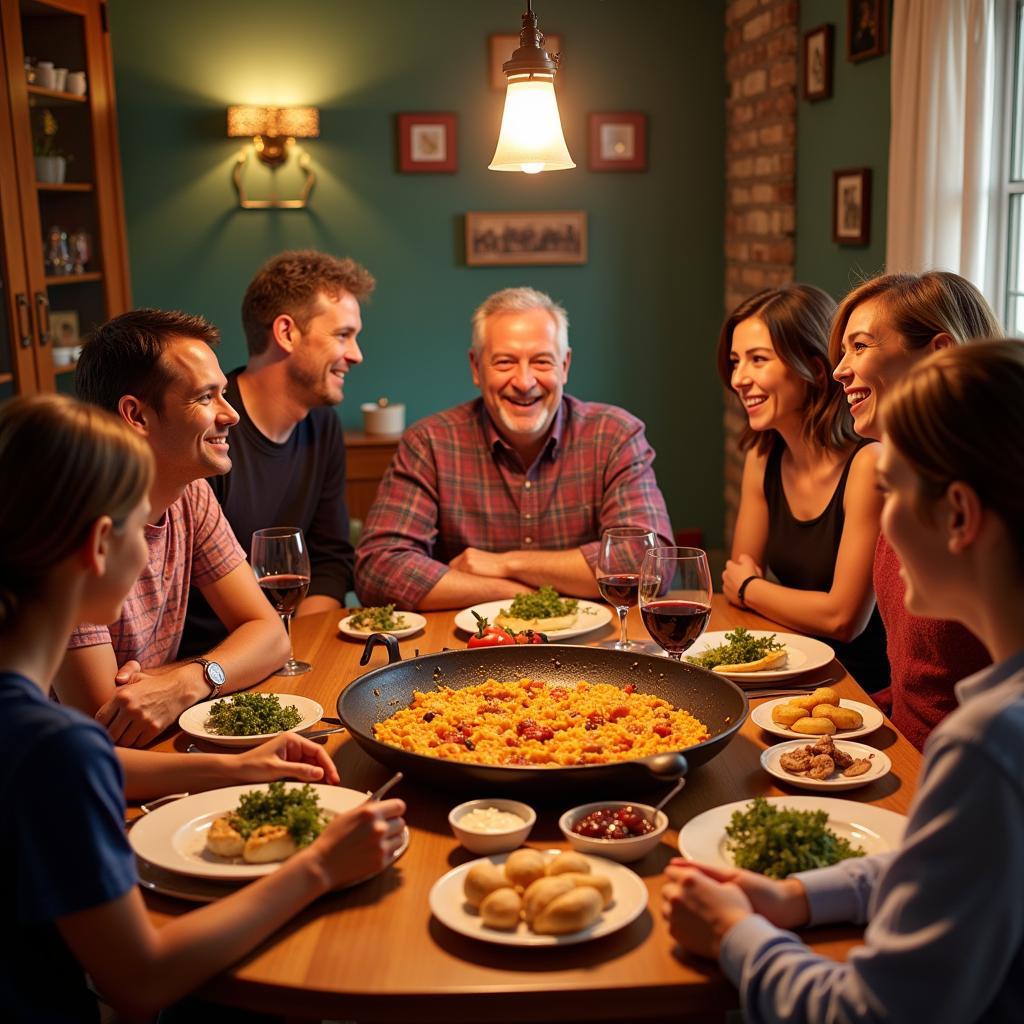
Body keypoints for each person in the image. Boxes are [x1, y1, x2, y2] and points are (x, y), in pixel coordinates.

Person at [0, 394, 406, 1021]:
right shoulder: (55, 748)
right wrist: (320, 868)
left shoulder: (32, 730)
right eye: (141, 525)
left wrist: (235, 769)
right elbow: (141, 979)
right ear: (100, 546)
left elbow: (85, 766)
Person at [661, 339, 1024, 1024]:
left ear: (959, 517)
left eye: (890, 488)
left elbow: (875, 1013)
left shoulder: (985, 746)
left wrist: (738, 935)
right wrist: (800, 897)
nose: (879, 521)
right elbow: (949, 868)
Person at [55, 308, 290, 747]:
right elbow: (108, 722)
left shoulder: (191, 494)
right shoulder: (70, 525)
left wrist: (189, 681)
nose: (231, 414)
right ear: (137, 416)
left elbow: (272, 634)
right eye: (205, 397)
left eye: (224, 393)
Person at [355, 286, 673, 609]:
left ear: (565, 365)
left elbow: (650, 563)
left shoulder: (615, 435)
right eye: (505, 362)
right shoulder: (430, 443)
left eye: (542, 362)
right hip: (469, 652)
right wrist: (522, 594)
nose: (524, 382)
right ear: (476, 367)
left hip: (593, 649)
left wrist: (506, 563)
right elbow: (379, 569)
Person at [830, 270, 1003, 747]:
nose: (839, 370)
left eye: (860, 347)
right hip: (899, 752)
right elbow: (921, 687)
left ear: (941, 353)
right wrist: (867, 716)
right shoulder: (911, 487)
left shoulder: (985, 509)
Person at [181, 250, 373, 657]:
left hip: (283, 651)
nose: (357, 355)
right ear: (286, 332)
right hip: (203, 666)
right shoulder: (210, 428)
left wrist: (291, 647)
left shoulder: (322, 425)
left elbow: (331, 559)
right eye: (343, 335)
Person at [718, 284, 888, 690]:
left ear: (813, 367)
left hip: (859, 689)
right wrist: (749, 588)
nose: (739, 379)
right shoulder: (764, 456)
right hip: (789, 669)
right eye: (735, 361)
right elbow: (737, 586)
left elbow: (843, 619)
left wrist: (750, 588)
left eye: (758, 360)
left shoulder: (868, 463)